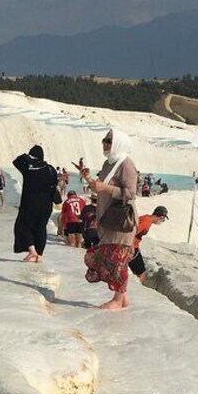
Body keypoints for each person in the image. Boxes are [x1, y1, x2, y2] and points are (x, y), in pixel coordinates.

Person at [80, 128, 138, 310]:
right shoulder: (109, 164)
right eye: (104, 140)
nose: (104, 144)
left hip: (121, 221)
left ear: (119, 143)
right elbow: (100, 188)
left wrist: (106, 188)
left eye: (108, 141)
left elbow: (130, 193)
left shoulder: (126, 164)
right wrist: (88, 178)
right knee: (103, 257)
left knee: (116, 260)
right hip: (108, 220)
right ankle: (123, 297)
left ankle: (118, 299)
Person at [12, 145, 58, 263]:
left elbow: (16, 161)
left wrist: (26, 157)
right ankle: (39, 255)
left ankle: (32, 251)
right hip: (46, 205)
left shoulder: (29, 168)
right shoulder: (50, 169)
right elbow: (54, 184)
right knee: (41, 228)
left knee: (23, 226)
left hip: (30, 204)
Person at [129, 206, 167, 283]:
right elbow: (132, 233)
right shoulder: (146, 222)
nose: (162, 221)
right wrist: (131, 247)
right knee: (141, 273)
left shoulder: (146, 218)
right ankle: (139, 289)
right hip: (131, 247)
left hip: (130, 245)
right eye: (163, 220)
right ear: (161, 217)